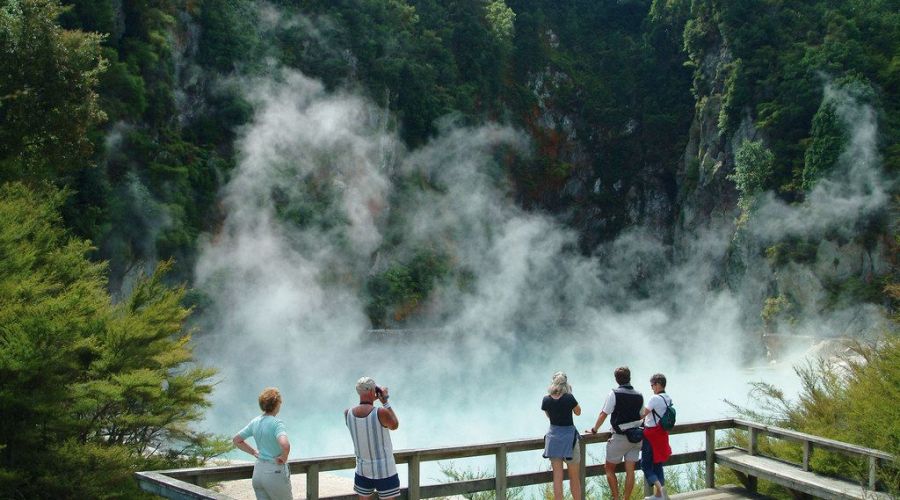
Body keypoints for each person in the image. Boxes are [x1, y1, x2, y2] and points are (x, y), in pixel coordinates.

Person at [588, 366, 644, 500]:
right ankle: (626, 499)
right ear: (629, 377)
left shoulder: (614, 394)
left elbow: (604, 414)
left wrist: (594, 429)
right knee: (630, 471)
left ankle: (616, 497)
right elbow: (642, 415)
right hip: (636, 437)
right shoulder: (639, 395)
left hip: (620, 437)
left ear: (617, 379)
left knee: (609, 468)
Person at [233, 387, 292, 500]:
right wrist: (284, 456)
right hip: (275, 472)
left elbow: (237, 440)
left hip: (258, 472)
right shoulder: (277, 423)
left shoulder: (255, 422)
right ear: (277, 404)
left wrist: (254, 452)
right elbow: (285, 445)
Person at [345, 377, 400, 499]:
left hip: (362, 470)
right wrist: (385, 401)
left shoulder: (347, 413)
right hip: (385, 471)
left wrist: (371, 398)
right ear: (372, 391)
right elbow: (395, 425)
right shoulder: (381, 412)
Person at [542, 371, 583, 500]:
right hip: (569, 438)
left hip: (553, 439)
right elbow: (578, 412)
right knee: (574, 477)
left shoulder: (546, 399)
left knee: (557, 478)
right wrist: (570, 394)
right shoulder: (569, 398)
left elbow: (549, 416)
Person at [641, 373, 673, 500]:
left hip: (651, 435)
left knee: (645, 465)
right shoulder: (668, 398)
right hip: (662, 434)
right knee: (658, 463)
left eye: (653, 385)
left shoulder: (654, 399)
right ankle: (659, 496)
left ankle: (660, 489)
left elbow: (643, 414)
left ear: (658, 384)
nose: (652, 388)